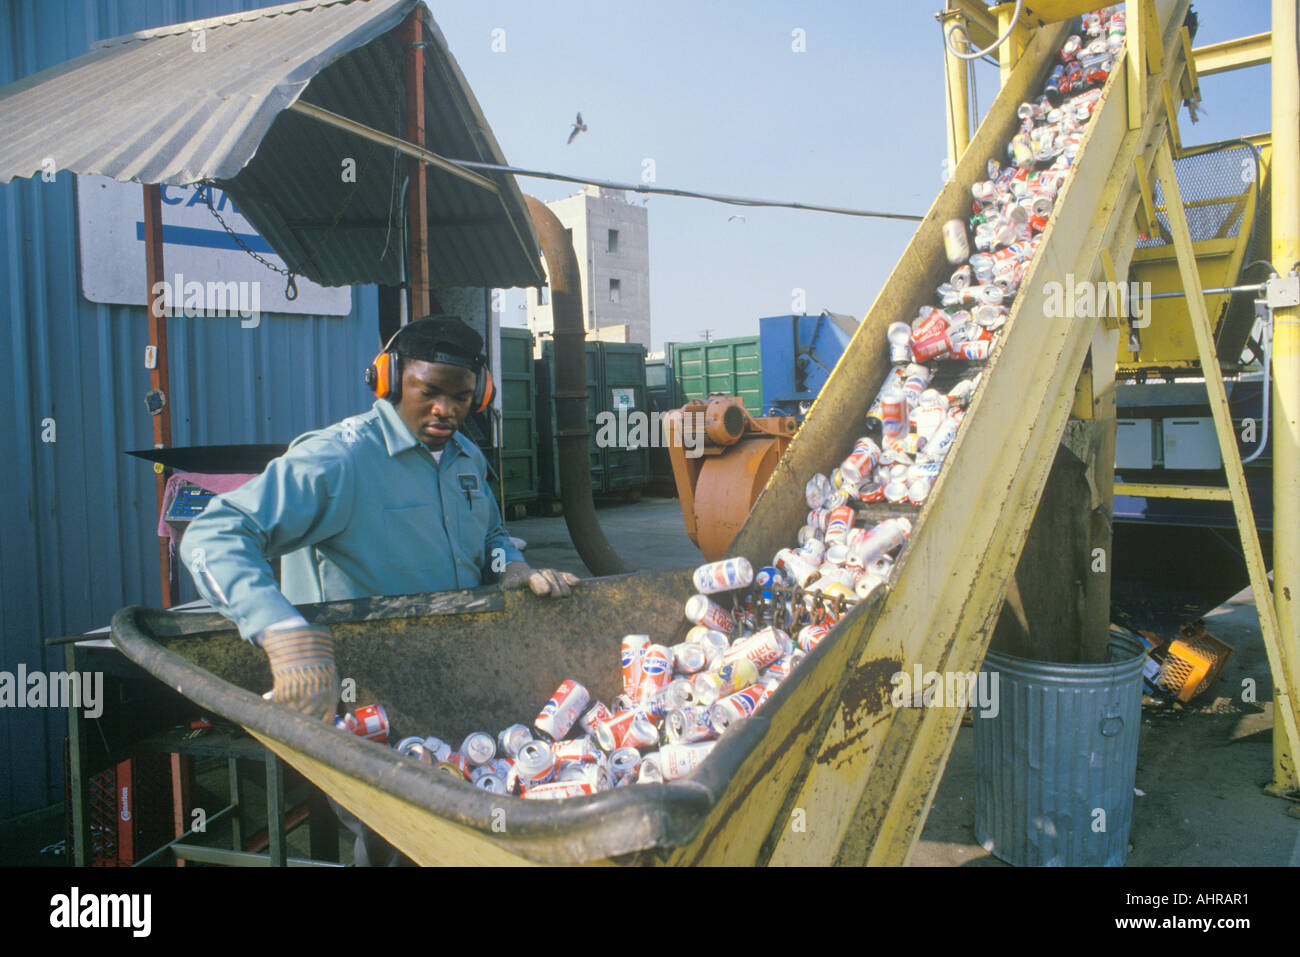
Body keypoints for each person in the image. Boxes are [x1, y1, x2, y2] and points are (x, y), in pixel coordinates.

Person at [181, 314, 579, 863]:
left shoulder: (467, 459)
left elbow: (489, 534)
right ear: (389, 380)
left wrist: (507, 566)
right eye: (430, 392)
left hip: (455, 684)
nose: (446, 410)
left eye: (462, 397)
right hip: (363, 701)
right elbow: (213, 533)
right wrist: (279, 629)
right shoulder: (340, 458)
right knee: (404, 839)